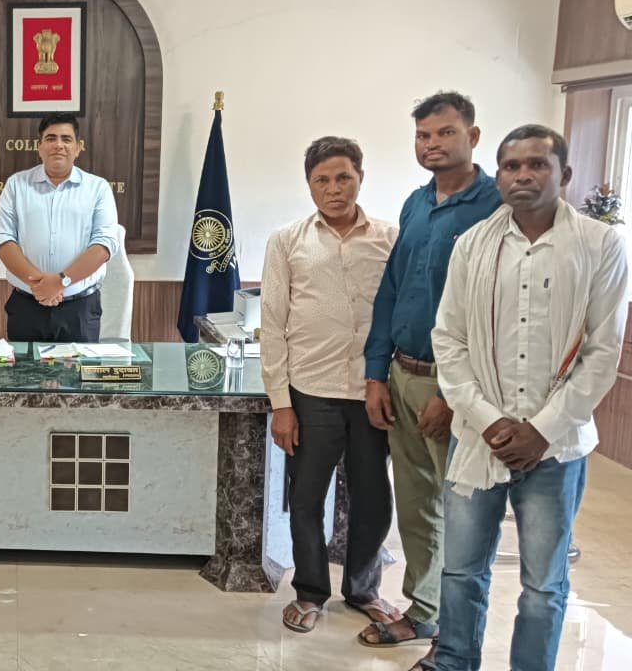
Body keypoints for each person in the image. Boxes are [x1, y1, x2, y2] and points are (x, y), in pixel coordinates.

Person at [418, 126, 628, 671]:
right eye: (511, 166)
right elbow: (449, 340)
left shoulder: (600, 246)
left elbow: (602, 352)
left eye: (538, 164)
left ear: (565, 174)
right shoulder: (474, 244)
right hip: (478, 437)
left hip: (555, 448)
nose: (523, 176)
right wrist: (488, 421)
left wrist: (541, 430)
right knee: (461, 571)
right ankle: (453, 662)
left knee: (543, 584)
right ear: (499, 176)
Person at [359, 92, 502, 657]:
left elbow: (493, 313)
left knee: (464, 512)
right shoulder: (416, 204)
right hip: (402, 374)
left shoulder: (496, 207)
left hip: (460, 386)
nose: (432, 144)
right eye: (423, 135)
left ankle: (457, 638)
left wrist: (449, 391)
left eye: (445, 133)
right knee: (417, 504)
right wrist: (377, 374)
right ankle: (423, 612)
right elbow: (391, 291)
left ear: (473, 136)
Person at [261, 137, 400, 635]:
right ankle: (310, 592)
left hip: (372, 391)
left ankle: (363, 589)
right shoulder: (287, 241)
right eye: (322, 180)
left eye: (343, 177)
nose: (334, 189)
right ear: (309, 185)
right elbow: (272, 322)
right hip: (311, 390)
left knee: (372, 498)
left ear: (360, 177)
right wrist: (281, 403)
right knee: (305, 498)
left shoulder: (390, 237)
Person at [0, 113, 119, 343]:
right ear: (39, 147)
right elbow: (2, 239)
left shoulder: (98, 188)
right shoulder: (17, 185)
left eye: (66, 139)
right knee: (25, 368)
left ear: (78, 148)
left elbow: (104, 245)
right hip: (27, 307)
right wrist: (39, 284)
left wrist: (60, 282)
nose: (58, 145)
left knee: (80, 368)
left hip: (79, 311)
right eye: (50, 138)